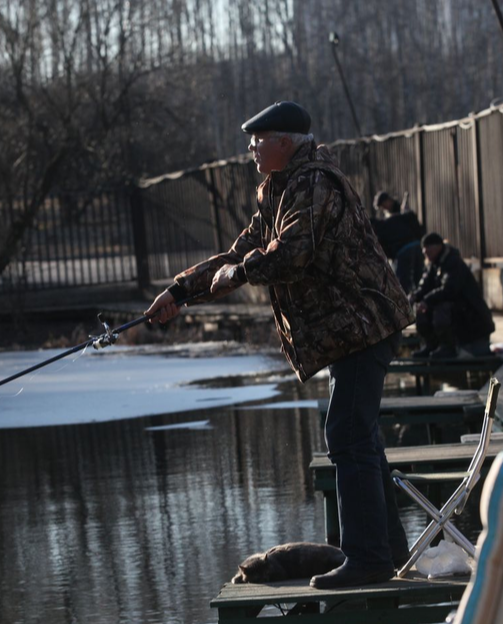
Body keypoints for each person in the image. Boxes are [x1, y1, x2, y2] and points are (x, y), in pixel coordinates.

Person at [145, 101, 415, 588]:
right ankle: (387, 552)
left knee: (348, 435)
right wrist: (181, 291)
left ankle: (370, 559)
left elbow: (289, 254)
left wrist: (241, 272)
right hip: (351, 330)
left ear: (284, 142)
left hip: (364, 324)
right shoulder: (282, 189)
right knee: (361, 437)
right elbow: (240, 251)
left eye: (258, 139)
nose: (250, 148)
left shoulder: (312, 183)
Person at [410, 232, 496, 359]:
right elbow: (424, 287)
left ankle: (448, 347)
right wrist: (413, 298)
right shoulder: (434, 264)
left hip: (469, 316)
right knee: (421, 310)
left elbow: (449, 290)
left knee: (441, 309)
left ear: (437, 247)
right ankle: (431, 345)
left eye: (427, 249)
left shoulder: (453, 262)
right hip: (457, 312)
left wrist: (427, 300)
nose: (425, 253)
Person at [371, 191, 424, 294]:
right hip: (415, 245)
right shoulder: (394, 217)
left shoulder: (389, 221)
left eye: (383, 204)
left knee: (404, 283)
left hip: (404, 249)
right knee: (418, 278)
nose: (383, 208)